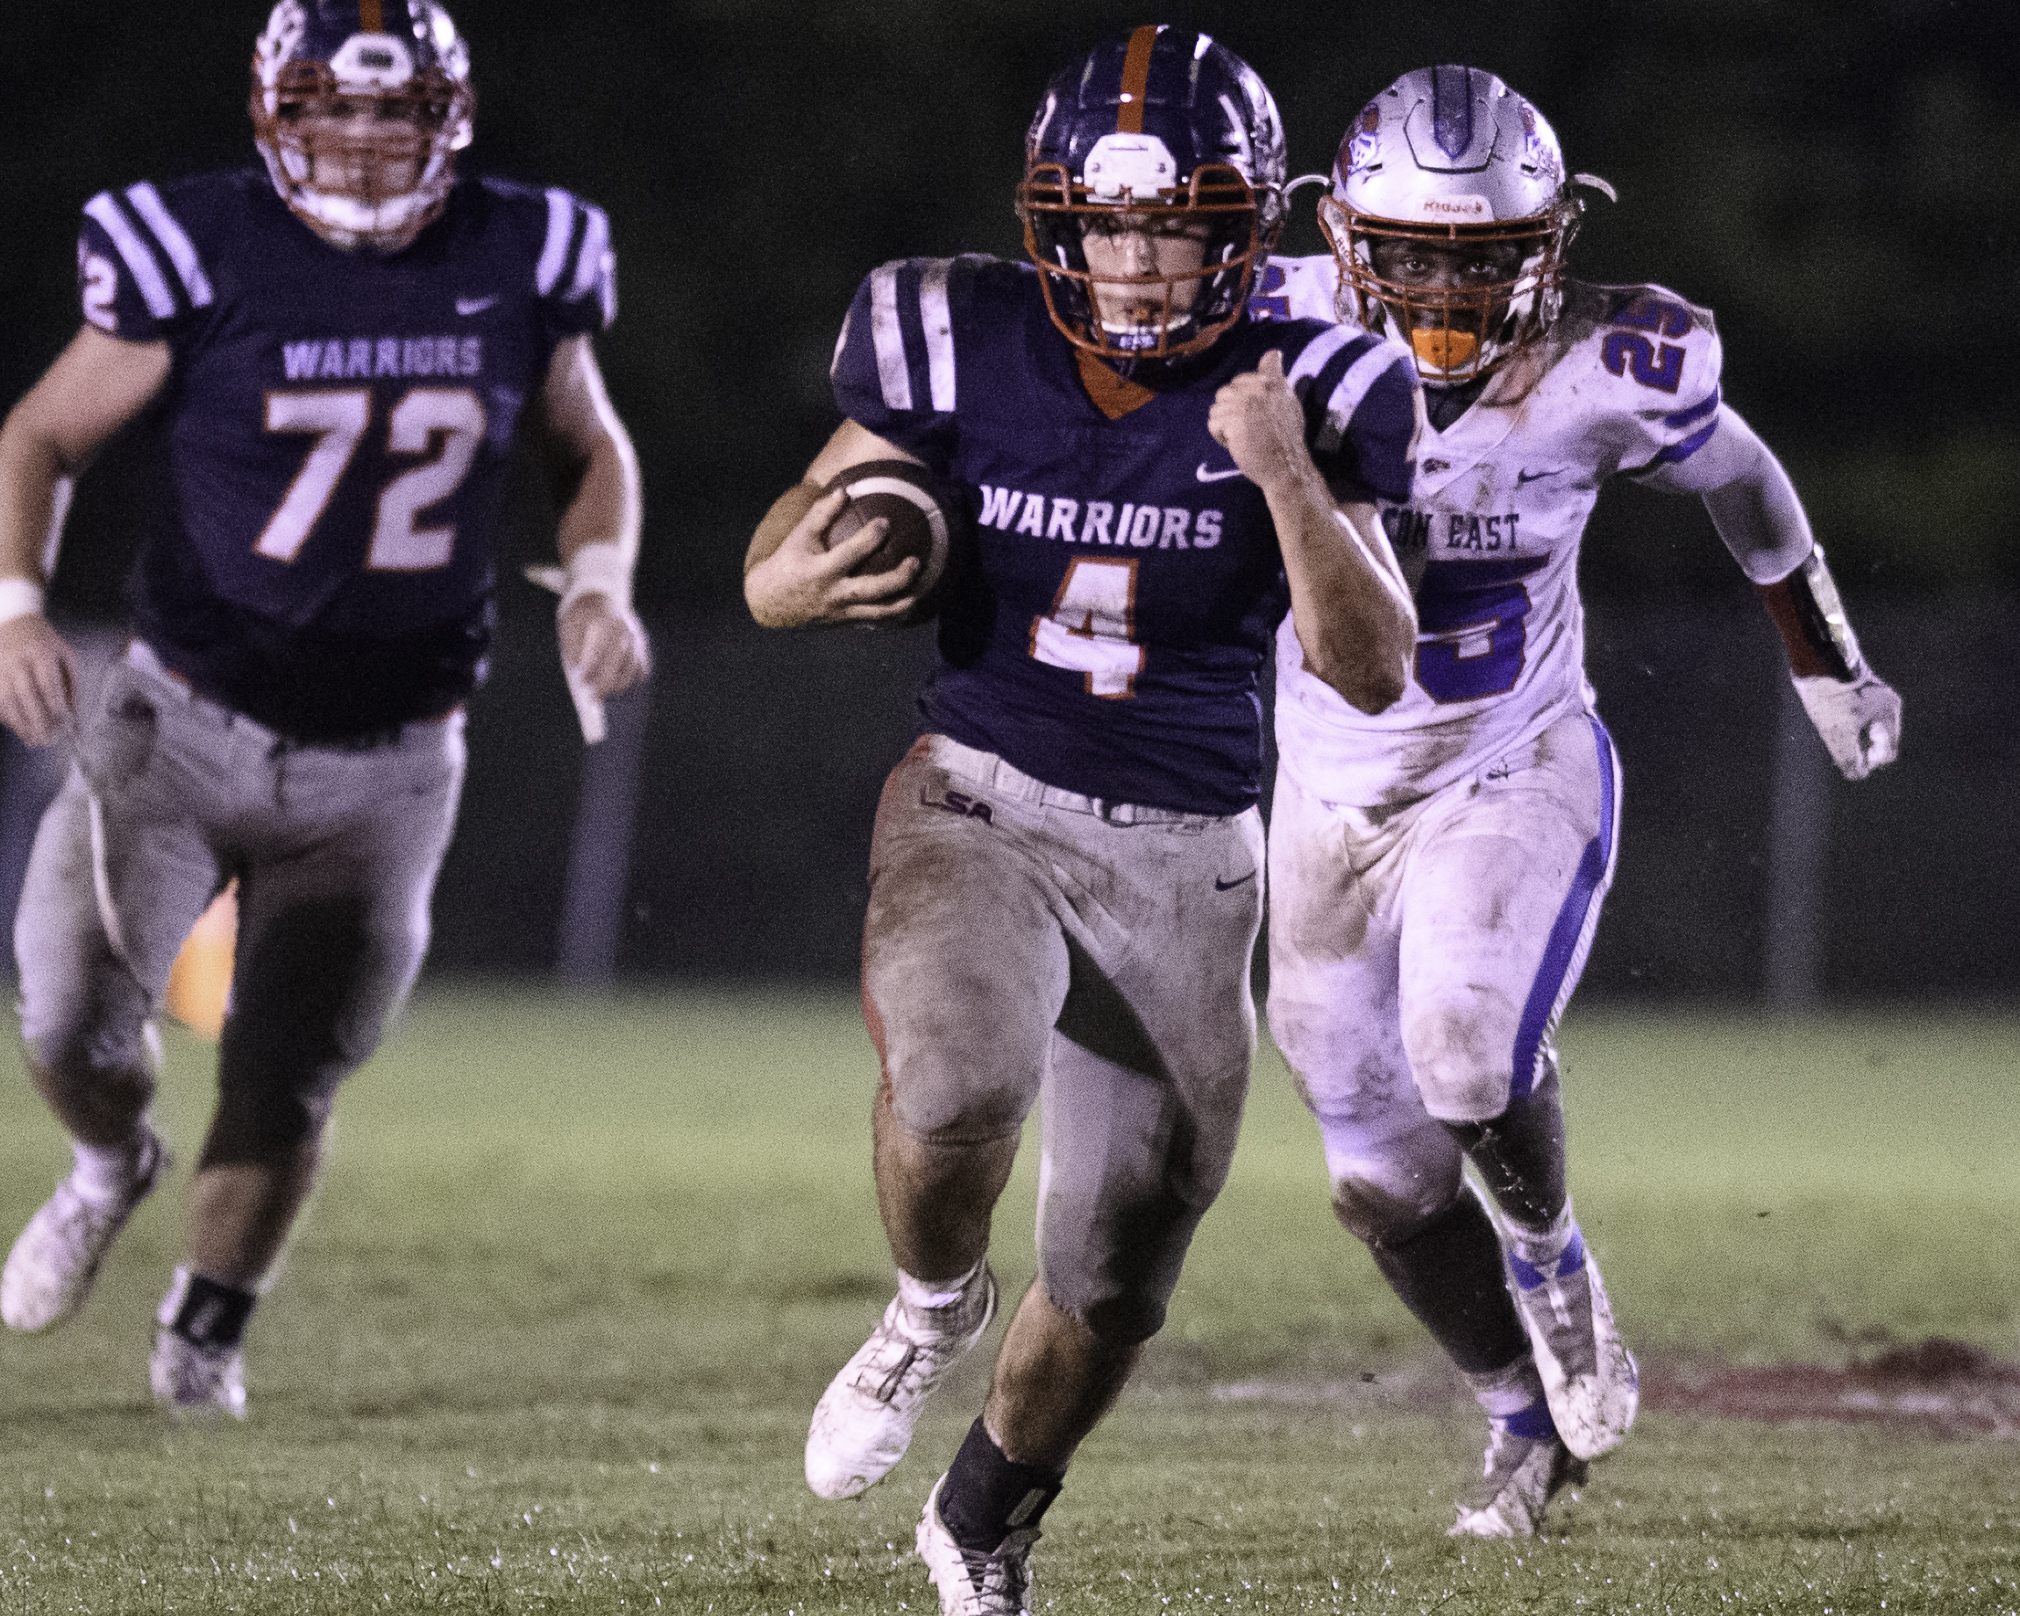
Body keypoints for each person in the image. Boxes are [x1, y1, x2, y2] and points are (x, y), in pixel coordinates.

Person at [744, 26, 1419, 1614]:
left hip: (1188, 850)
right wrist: (789, 580)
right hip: (980, 794)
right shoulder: (956, 331)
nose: (1134, 259)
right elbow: (781, 551)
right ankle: (930, 1304)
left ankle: (982, 1521)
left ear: (1243, 227)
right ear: (1054, 218)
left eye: (1175, 224)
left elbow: (1374, 665)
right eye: (1105, 223)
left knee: (1118, 1271)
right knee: (957, 1079)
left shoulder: (1316, 377)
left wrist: (1285, 477)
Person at [1252, 64, 1902, 1536]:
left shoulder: (1616, 362)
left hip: (1511, 756)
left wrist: (1826, 660)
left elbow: (1746, 482)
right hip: (1326, 794)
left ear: (1548, 244)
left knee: (1467, 1061)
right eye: (1412, 255)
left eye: (1482, 257)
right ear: (1343, 236)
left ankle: (1551, 1258)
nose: (1444, 292)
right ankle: (1521, 1424)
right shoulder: (1269, 323)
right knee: (1374, 1180)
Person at [0, 0, 648, 1417]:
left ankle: (203, 1338)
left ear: (447, 120)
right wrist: (15, 606)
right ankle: (110, 1164)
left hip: (391, 756)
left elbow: (586, 440)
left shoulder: (522, 249)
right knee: (65, 1019)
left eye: (393, 112)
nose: (361, 142)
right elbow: (41, 430)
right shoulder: (196, 245)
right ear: (276, 115)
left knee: (286, 1071)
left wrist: (598, 584)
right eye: (332, 110)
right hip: (178, 716)